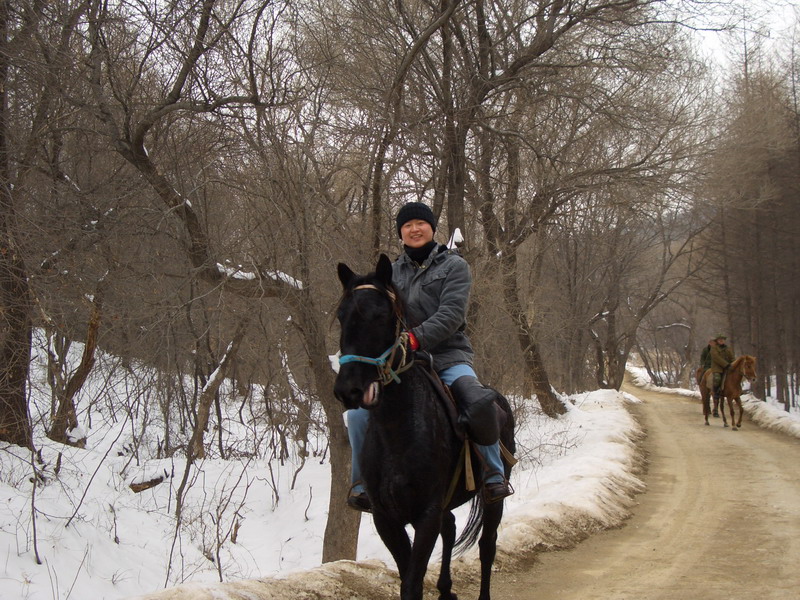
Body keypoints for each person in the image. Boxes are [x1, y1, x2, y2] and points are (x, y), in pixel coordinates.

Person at [345, 201, 511, 512]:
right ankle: (361, 482)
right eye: (407, 226)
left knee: (477, 402)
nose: (414, 229)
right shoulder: (390, 272)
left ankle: (492, 473)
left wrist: (413, 338)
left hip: (449, 356)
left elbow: (451, 315)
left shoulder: (454, 266)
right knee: (357, 413)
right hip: (401, 362)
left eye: (420, 223)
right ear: (401, 233)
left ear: (432, 228)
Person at [709, 334, 734, 401]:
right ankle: (716, 392)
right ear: (717, 341)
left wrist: (733, 364)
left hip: (727, 367)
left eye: (723, 339)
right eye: (720, 339)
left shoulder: (728, 349)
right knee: (717, 379)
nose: (721, 341)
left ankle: (737, 390)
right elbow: (717, 358)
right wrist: (726, 364)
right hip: (717, 368)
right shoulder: (714, 348)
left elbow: (732, 357)